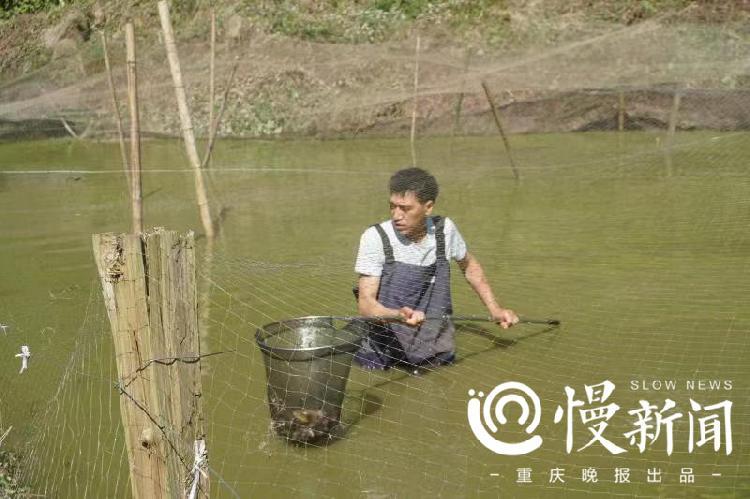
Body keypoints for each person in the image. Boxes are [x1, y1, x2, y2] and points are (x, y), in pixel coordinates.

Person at [353, 167, 518, 370]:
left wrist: (495, 309)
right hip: (384, 349)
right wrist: (397, 315)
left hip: (434, 347)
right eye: (392, 206)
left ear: (428, 207)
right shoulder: (375, 237)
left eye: (405, 208)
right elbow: (365, 304)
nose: (396, 215)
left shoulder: (445, 231)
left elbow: (470, 267)